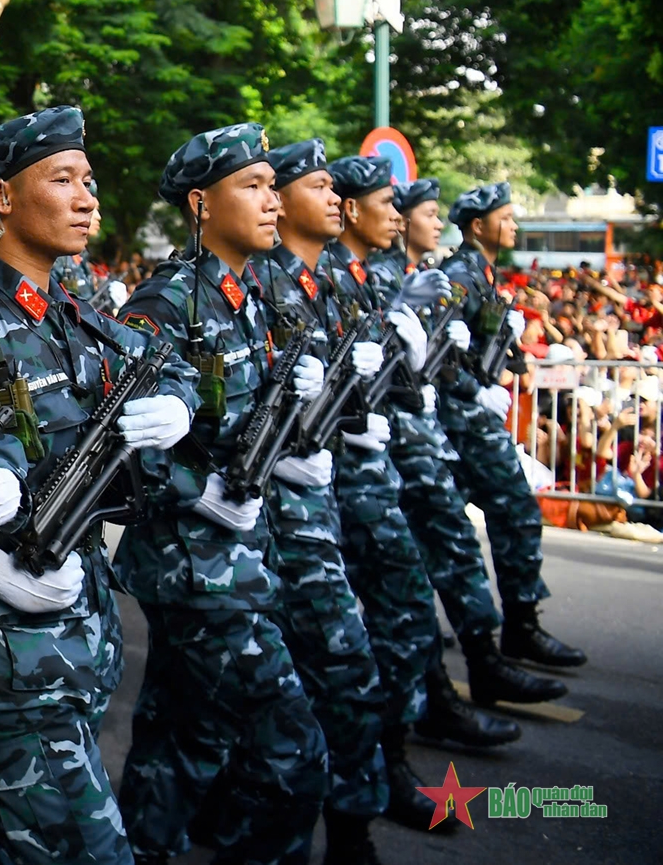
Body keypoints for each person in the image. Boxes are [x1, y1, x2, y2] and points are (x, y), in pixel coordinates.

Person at [0, 107, 198, 865]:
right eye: (64, 180)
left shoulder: (74, 314)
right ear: (3, 198)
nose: (88, 199)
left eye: (90, 182)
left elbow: (162, 363)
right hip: (5, 651)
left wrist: (178, 401)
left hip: (78, 635)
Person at [113, 124, 329, 864]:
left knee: (182, 742)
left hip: (237, 559)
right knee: (293, 750)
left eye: (274, 186)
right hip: (194, 567)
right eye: (254, 187)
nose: (273, 201)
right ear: (202, 203)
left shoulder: (247, 295)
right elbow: (121, 442)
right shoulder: (166, 303)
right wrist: (198, 490)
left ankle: (142, 850)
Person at [323, 157, 522, 834]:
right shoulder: (330, 280)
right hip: (337, 483)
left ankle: (392, 758)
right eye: (395, 204)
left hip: (374, 469)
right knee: (366, 631)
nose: (407, 218)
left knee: (394, 616)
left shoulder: (357, 279)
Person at [248, 143, 396, 861]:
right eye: (320, 185)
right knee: (332, 677)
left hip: (317, 509)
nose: (336, 198)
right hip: (272, 522)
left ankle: (354, 817)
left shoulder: (327, 282)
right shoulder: (261, 286)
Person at [439, 183, 587, 675]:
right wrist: (474, 390)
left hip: (471, 414)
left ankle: (440, 624)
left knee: (438, 521)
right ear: (479, 225)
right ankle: (519, 627)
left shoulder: (481, 271)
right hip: (463, 417)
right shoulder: (460, 273)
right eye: (506, 217)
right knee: (516, 510)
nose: (514, 226)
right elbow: (440, 354)